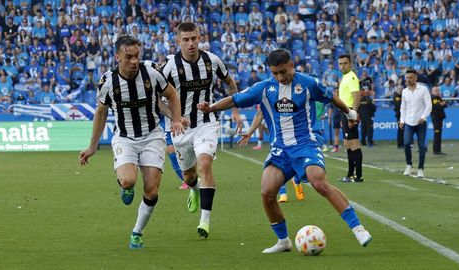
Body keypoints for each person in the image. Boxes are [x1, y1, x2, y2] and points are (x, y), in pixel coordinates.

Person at [198, 49, 372, 253]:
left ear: (291, 65)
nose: (280, 77)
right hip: (280, 149)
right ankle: (283, 241)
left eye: (283, 71)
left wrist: (350, 113)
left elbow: (331, 97)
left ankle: (357, 227)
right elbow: (235, 99)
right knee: (267, 193)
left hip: (306, 144)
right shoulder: (264, 88)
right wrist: (211, 107)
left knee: (318, 182)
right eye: (275, 73)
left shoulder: (308, 83)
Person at [79, 35, 185, 249]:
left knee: (151, 190)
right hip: (125, 137)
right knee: (128, 181)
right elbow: (100, 113)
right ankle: (126, 187)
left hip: (152, 136)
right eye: (129, 57)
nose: (134, 61)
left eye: (137, 56)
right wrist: (92, 147)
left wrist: (176, 118)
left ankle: (137, 232)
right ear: (117, 57)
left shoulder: (152, 73)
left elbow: (172, 95)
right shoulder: (108, 82)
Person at [161, 22, 243, 238]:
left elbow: (230, 83)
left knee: (204, 164)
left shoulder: (212, 60)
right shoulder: (169, 66)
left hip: (207, 122)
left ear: (200, 38)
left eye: (194, 38)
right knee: (189, 176)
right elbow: (155, 100)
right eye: (185, 40)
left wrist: (234, 109)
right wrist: (175, 117)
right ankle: (194, 189)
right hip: (181, 128)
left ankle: (205, 221)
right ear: (178, 42)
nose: (191, 43)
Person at [400, 69, 432, 178]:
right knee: (406, 143)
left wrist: (423, 117)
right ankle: (409, 165)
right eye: (407, 78)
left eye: (411, 78)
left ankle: (420, 168)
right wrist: (402, 120)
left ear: (416, 78)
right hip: (408, 122)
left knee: (422, 146)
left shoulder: (423, 89)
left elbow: (429, 105)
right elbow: (403, 108)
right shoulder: (404, 91)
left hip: (420, 122)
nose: (408, 80)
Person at [338, 54, 364, 183]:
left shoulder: (352, 77)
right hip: (345, 112)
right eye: (340, 64)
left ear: (350, 64)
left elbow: (356, 97)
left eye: (345, 63)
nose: (343, 66)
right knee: (348, 144)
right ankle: (350, 174)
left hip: (349, 112)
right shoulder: (345, 77)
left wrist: (353, 116)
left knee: (354, 144)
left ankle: (358, 176)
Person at [430, 86, 447, 155]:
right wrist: (442, 104)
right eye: (436, 90)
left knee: (439, 134)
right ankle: (436, 151)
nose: (437, 92)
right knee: (437, 134)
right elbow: (438, 106)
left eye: (438, 90)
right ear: (432, 92)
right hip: (436, 118)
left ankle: (438, 150)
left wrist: (442, 104)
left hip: (440, 118)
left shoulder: (438, 98)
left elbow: (445, 104)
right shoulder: (433, 98)